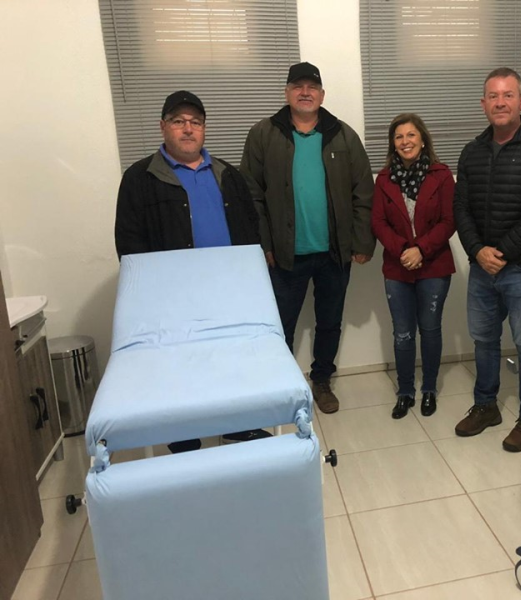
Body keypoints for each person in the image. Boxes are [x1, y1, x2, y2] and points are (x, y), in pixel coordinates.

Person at [114, 90, 268, 452]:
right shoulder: (140, 178)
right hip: (172, 298)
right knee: (178, 366)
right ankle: (183, 433)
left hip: (227, 292)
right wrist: (147, 293)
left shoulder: (228, 174)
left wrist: (250, 280)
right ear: (163, 127)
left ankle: (238, 426)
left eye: (195, 122)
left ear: (204, 128)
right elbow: (129, 242)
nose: (188, 129)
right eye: (179, 121)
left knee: (230, 359)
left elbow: (250, 229)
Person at [240, 62, 375, 415]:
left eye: (311, 87)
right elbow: (251, 195)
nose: (305, 92)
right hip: (284, 255)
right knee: (279, 325)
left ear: (322, 95)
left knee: (329, 322)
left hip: (334, 254)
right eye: (297, 86)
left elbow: (363, 191)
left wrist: (362, 242)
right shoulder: (264, 134)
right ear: (287, 93)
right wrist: (263, 245)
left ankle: (322, 380)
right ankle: (280, 385)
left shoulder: (342, 135)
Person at [453, 68, 521, 452]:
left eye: (508, 95)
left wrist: (501, 252)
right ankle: (486, 407)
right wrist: (477, 251)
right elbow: (460, 208)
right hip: (482, 268)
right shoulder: (472, 151)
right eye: (493, 96)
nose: (500, 103)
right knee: (484, 340)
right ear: (483, 104)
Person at [371, 114, 456, 419]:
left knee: (430, 330)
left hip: (434, 266)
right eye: (398, 137)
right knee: (403, 333)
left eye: (411, 135)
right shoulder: (384, 179)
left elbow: (449, 220)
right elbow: (378, 222)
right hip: (397, 268)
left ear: (422, 139)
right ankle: (405, 391)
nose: (405, 141)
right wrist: (404, 251)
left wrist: (421, 249)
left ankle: (429, 389)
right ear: (392, 143)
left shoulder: (441, 175)